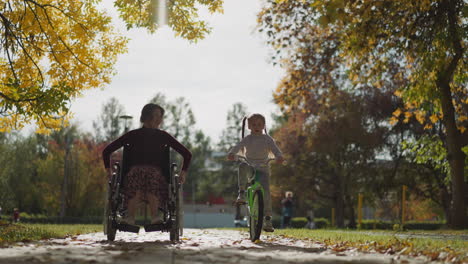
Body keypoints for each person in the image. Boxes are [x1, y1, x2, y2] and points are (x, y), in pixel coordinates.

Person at [102, 103, 192, 225]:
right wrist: (109, 170)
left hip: (156, 176)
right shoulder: (132, 135)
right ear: (146, 116)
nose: (158, 119)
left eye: (160, 116)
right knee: (139, 174)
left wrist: (183, 173)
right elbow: (106, 151)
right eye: (155, 115)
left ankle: (152, 217)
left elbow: (187, 154)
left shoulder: (163, 136)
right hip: (134, 175)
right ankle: (131, 218)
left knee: (149, 175)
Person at [227, 113, 284, 232]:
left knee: (266, 193)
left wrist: (279, 156)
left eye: (259, 124)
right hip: (250, 166)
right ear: (249, 126)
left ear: (263, 126)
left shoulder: (267, 139)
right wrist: (232, 153)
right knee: (242, 166)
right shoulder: (247, 139)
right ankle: (241, 193)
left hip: (263, 168)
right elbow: (238, 146)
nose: (256, 126)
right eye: (253, 124)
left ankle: (267, 219)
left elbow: (275, 150)